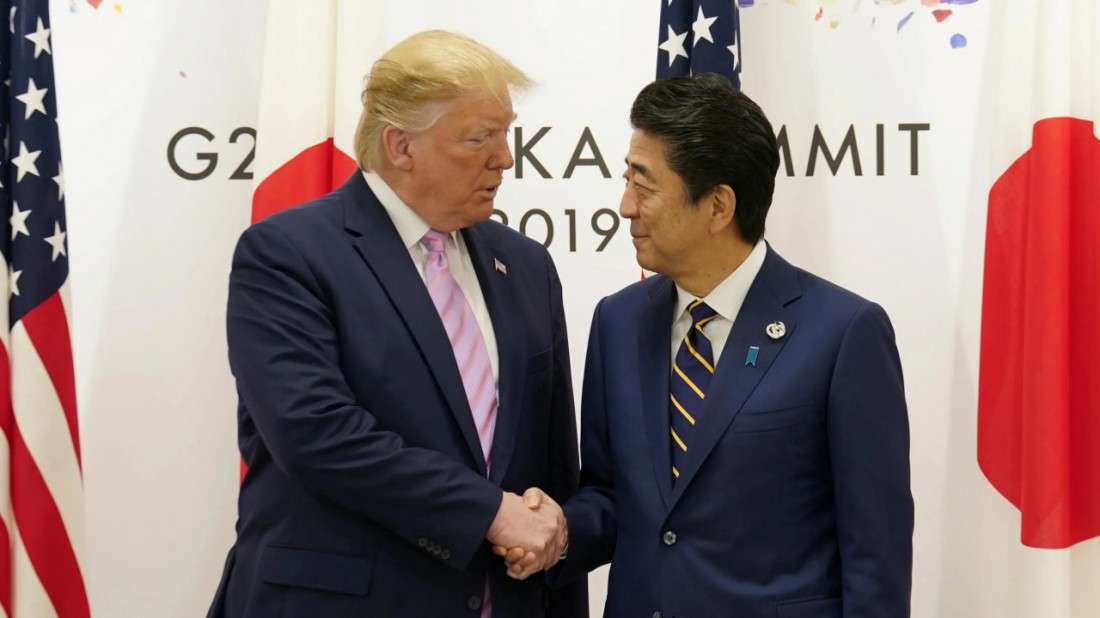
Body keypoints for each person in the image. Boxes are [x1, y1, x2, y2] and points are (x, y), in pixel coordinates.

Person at [208, 30, 585, 617]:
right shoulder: (288, 253)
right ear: (401, 145)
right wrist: (488, 512)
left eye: (506, 134)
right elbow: (316, 434)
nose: (505, 158)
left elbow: (552, 468)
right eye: (480, 137)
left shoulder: (526, 265)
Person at [506, 73, 913, 616]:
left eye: (644, 186)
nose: (625, 206)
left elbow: (875, 556)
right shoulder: (617, 322)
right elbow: (612, 497)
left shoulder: (844, 334)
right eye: (627, 181)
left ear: (718, 206)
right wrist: (553, 532)